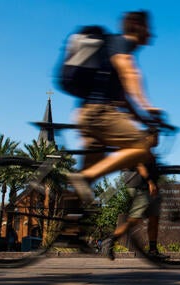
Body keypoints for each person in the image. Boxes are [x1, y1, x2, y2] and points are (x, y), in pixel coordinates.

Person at [67, 10, 161, 205]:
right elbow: (129, 72)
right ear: (138, 27)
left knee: (83, 190)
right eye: (148, 28)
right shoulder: (121, 43)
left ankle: (70, 231)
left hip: (87, 115)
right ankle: (83, 178)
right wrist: (147, 105)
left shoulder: (109, 53)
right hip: (99, 114)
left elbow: (125, 101)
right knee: (143, 147)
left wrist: (143, 119)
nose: (150, 33)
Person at [104, 130, 168, 261]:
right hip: (139, 186)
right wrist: (150, 182)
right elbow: (140, 166)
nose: (157, 139)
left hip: (150, 189)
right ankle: (109, 241)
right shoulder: (140, 148)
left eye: (158, 136)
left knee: (154, 218)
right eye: (155, 136)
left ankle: (153, 250)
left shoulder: (151, 152)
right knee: (135, 219)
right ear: (148, 137)